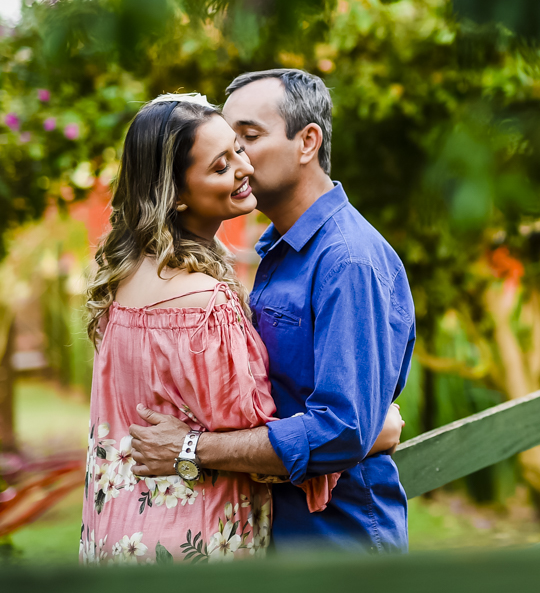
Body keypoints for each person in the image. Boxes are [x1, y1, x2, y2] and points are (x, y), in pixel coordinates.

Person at [81, 93, 405, 565]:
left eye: (241, 146)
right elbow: (252, 440)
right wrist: (371, 432)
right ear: (175, 195)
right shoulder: (206, 303)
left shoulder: (120, 285)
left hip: (116, 533)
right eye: (221, 165)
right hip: (195, 543)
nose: (244, 166)